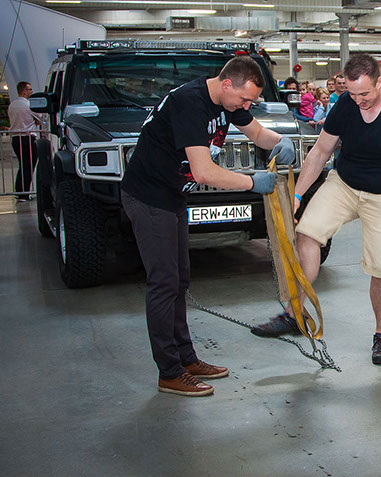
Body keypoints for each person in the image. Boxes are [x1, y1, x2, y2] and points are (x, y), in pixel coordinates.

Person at [120, 56, 295, 397]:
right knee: (164, 283)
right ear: (227, 83)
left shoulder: (228, 101)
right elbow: (203, 172)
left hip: (172, 196)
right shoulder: (190, 103)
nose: (246, 106)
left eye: (251, 101)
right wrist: (252, 182)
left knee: (179, 280)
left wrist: (279, 141)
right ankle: (169, 372)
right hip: (149, 197)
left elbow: (257, 132)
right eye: (244, 99)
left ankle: (186, 359)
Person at [251, 54, 381, 366]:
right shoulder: (345, 104)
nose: (358, 100)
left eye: (364, 94)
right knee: (307, 234)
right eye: (352, 93)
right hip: (343, 184)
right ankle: (294, 314)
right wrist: (297, 195)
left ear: (380, 81)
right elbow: (320, 152)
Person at [8, 81, 40, 200]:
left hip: (16, 138)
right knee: (29, 165)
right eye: (30, 89)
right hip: (27, 138)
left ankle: (20, 190)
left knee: (22, 165)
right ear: (24, 91)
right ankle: (24, 193)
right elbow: (39, 118)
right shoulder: (28, 105)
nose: (32, 91)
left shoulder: (12, 105)